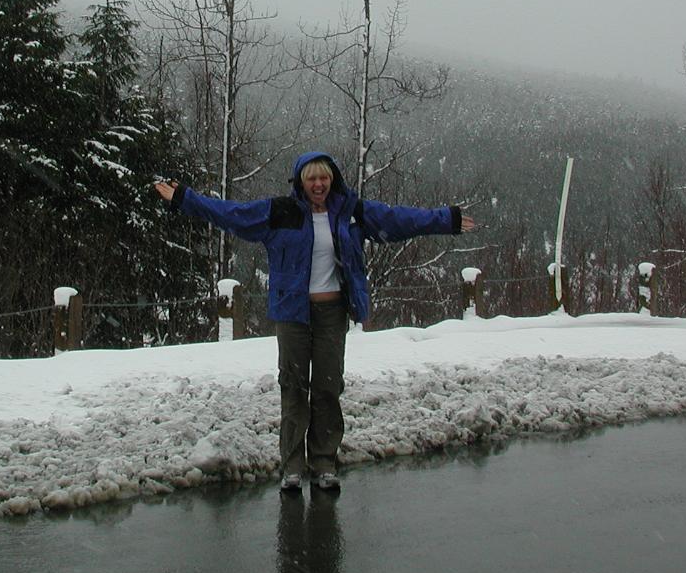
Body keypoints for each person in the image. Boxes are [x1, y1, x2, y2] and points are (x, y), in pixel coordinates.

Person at [154, 150, 476, 492]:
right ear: (300, 183)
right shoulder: (280, 213)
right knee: (293, 389)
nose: (319, 184)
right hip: (293, 314)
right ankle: (292, 467)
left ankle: (323, 463)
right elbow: (230, 214)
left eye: (324, 178)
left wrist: (447, 219)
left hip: (332, 314)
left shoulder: (350, 212)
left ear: (332, 179)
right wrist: (185, 199)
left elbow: (400, 220)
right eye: (311, 179)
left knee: (327, 388)